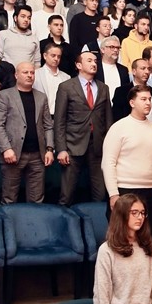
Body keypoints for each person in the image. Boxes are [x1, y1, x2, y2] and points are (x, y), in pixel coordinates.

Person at [101, 86, 152, 243]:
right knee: (124, 240)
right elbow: (108, 163)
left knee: (150, 240)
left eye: (149, 99)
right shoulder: (118, 127)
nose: (148, 103)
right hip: (126, 189)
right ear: (132, 102)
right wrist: (113, 194)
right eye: (143, 99)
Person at [93, 193, 152, 304]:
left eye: (142, 213)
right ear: (122, 215)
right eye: (134, 213)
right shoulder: (107, 250)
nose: (140, 217)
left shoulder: (149, 247)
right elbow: (101, 297)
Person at [53, 50, 112, 205]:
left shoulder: (103, 88)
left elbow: (108, 120)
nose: (94, 64)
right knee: (67, 194)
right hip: (73, 145)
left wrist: (109, 146)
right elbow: (59, 120)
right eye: (89, 61)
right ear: (79, 65)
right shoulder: (66, 87)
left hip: (98, 146)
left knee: (100, 194)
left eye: (95, 61)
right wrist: (61, 149)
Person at [0, 62, 54, 205]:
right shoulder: (4, 95)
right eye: (25, 72)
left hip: (37, 156)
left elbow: (48, 125)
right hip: (12, 155)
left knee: (37, 201)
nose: (29, 75)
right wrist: (6, 149)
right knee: (9, 199)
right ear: (16, 75)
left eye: (32, 73)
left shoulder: (41, 97)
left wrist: (50, 149)